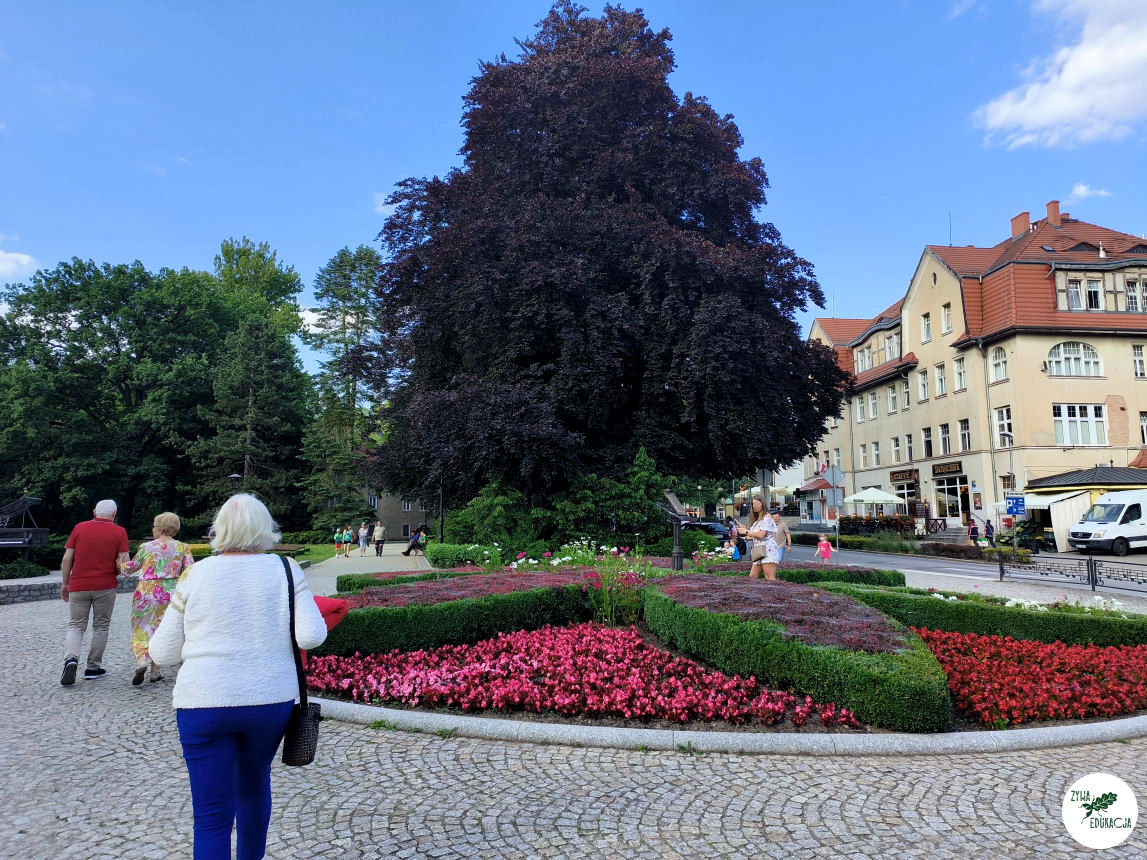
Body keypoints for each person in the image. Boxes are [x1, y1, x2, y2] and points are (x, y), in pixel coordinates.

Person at [149, 493, 327, 860]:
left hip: (203, 701)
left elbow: (162, 653)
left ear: (220, 530)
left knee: (211, 816)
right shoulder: (285, 568)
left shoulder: (196, 573)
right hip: (268, 698)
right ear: (266, 528)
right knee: (253, 786)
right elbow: (310, 636)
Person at [59, 500, 130, 686]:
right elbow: (124, 564)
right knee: (101, 626)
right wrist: (117, 570)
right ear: (114, 514)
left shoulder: (80, 528)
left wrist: (65, 583)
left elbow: (67, 559)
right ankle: (93, 668)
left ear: (94, 511)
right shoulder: (119, 532)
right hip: (105, 585)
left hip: (79, 584)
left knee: (76, 625)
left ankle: (71, 659)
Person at [123, 512, 196, 685]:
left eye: (154, 526)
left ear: (161, 528)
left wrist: (120, 563)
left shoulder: (146, 547)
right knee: (161, 629)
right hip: (170, 593)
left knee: (141, 628)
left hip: (147, 592)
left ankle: (142, 661)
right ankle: (155, 670)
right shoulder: (183, 547)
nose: (153, 529)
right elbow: (190, 571)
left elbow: (130, 568)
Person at [743, 496, 779, 581]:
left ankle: (774, 594)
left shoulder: (767, 516)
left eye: (754, 504)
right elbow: (757, 535)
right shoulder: (758, 519)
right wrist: (747, 533)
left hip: (768, 551)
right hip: (759, 552)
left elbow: (762, 535)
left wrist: (746, 531)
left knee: (770, 578)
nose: (753, 506)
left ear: (760, 504)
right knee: (752, 578)